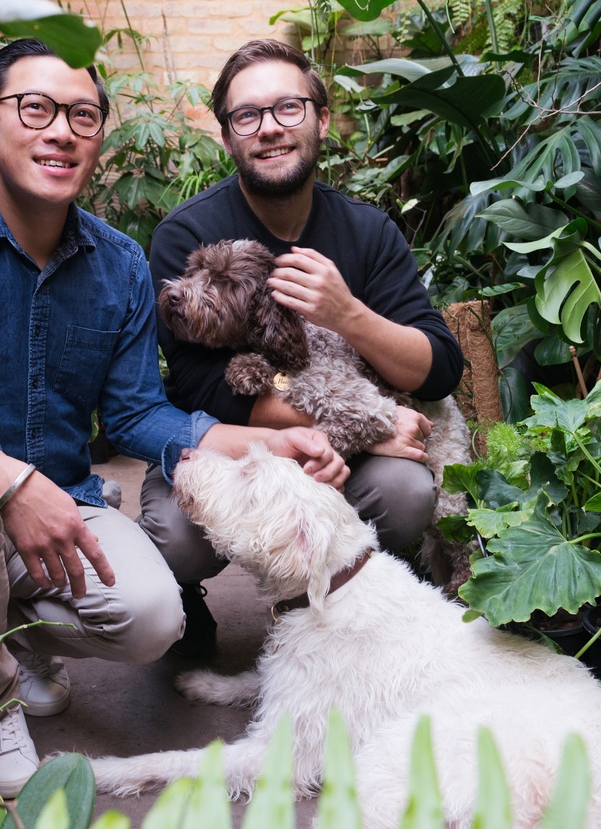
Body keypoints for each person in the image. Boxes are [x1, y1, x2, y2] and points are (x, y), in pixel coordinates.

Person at [0, 39, 348, 798]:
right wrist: (13, 483)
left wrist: (267, 439)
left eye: (83, 114)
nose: (60, 131)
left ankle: (2, 634)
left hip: (64, 502)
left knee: (154, 616)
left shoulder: (117, 265)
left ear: (100, 136)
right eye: (34, 109)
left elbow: (140, 412)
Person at [139, 39, 464, 658]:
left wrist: (348, 315)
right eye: (247, 115)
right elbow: (206, 386)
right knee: (176, 534)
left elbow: (439, 367)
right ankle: (187, 604)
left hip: (345, 434)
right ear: (229, 136)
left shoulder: (366, 231)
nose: (270, 129)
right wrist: (365, 428)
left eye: (288, 107)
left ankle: (362, 609)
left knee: (405, 492)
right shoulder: (187, 232)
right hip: (235, 441)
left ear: (319, 115)